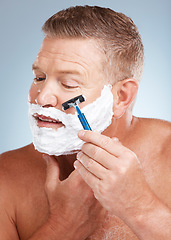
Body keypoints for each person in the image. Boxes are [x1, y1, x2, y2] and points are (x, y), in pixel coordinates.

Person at [0, 5, 171, 240]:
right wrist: (63, 225)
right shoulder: (5, 178)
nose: (42, 97)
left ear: (121, 97)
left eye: (69, 84)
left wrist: (139, 206)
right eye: (39, 78)